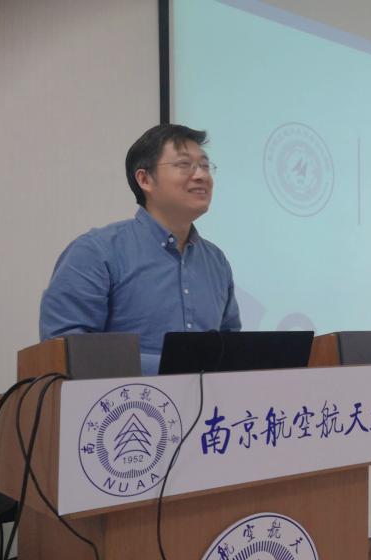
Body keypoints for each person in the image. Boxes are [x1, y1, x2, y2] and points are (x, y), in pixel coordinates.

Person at [39, 124, 241, 374]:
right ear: (145, 179)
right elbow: (65, 349)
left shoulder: (216, 261)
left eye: (205, 165)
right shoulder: (96, 252)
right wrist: (174, 368)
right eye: (184, 164)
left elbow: (230, 346)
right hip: (124, 399)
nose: (201, 175)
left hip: (207, 400)